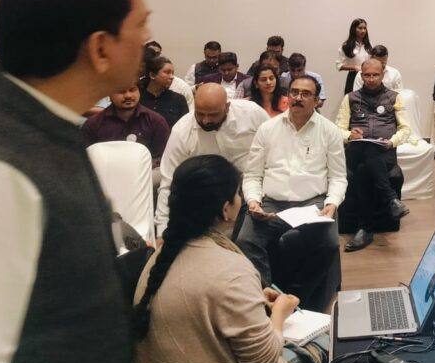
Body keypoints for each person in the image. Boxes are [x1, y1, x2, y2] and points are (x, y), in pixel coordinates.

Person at [0, 0, 149, 363]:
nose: (148, 38)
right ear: (100, 48)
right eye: (140, 24)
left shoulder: (50, 126)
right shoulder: (6, 166)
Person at [132, 155, 312, 363]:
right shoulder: (231, 269)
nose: (241, 200)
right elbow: (262, 360)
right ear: (226, 209)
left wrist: (253, 299)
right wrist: (280, 312)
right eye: (238, 194)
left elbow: (197, 301)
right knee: (319, 348)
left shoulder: (159, 258)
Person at [237, 75, 347, 287]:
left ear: (317, 100)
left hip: (313, 204)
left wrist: (332, 203)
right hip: (271, 203)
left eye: (305, 94)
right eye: (294, 92)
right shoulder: (268, 128)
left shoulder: (329, 131)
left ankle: (303, 296)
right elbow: (252, 174)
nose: (298, 98)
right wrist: (253, 202)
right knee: (246, 241)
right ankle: (269, 293)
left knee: (329, 244)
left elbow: (338, 176)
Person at [155, 83, 270, 236]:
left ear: (227, 107)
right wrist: (162, 232)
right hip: (210, 198)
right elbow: (169, 183)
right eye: (200, 114)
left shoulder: (252, 113)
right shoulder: (182, 131)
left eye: (213, 115)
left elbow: (273, 147)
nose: (206, 120)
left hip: (257, 184)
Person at [336, 58, 412, 252]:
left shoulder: (394, 97)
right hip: (354, 152)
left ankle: (365, 229)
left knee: (364, 169)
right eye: (367, 75)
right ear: (361, 76)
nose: (371, 79)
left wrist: (392, 141)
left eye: (375, 75)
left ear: (382, 75)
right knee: (365, 146)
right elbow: (338, 129)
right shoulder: (350, 98)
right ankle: (390, 199)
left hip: (384, 153)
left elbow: (405, 128)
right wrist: (349, 135)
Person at [82, 83, 170, 184]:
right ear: (109, 94)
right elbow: (85, 160)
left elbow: (162, 157)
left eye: (132, 90)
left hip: (144, 178)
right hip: (105, 179)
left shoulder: (156, 121)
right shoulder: (93, 124)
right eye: (121, 91)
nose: (128, 95)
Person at [139, 55, 190, 130]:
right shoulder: (138, 97)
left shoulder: (178, 99)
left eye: (172, 73)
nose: (172, 77)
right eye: (167, 72)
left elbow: (185, 127)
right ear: (152, 75)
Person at [336, 18, 372, 95]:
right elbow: (339, 65)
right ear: (354, 29)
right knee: (352, 99)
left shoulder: (369, 45)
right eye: (360, 28)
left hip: (368, 76)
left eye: (365, 28)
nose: (363, 31)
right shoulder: (346, 46)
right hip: (353, 76)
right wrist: (355, 67)